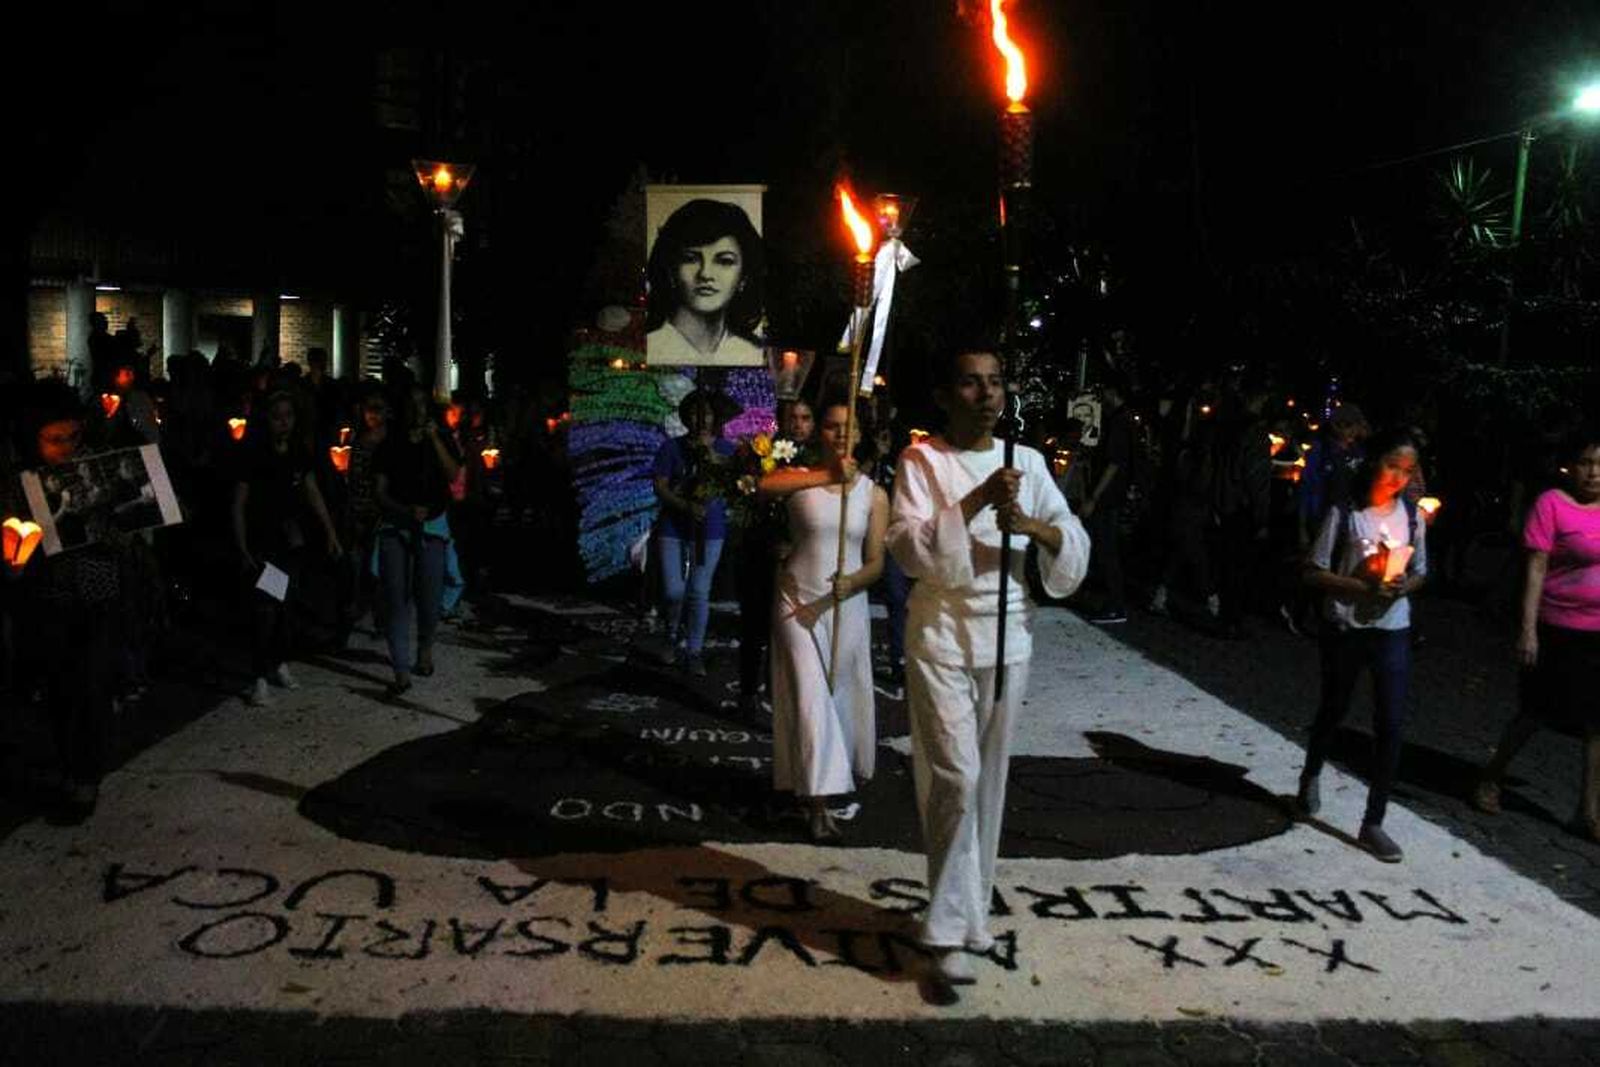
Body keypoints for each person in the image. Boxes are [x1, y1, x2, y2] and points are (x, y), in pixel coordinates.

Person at [887, 349, 1090, 989]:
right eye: (972, 383)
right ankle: (946, 930)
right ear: (946, 395)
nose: (987, 394)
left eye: (996, 382)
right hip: (942, 634)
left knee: (989, 781)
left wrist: (1032, 525)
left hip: (1009, 637)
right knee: (955, 776)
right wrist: (976, 499)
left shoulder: (1026, 463)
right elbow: (910, 550)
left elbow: (1070, 538)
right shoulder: (921, 462)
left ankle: (970, 919)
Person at [758, 395, 888, 843]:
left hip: (844, 603)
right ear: (820, 432)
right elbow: (765, 485)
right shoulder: (799, 477)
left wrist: (853, 583)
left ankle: (815, 780)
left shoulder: (874, 493)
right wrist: (828, 475)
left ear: (860, 433)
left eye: (848, 426)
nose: (840, 433)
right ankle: (818, 805)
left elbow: (876, 563)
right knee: (810, 696)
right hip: (796, 601)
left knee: (834, 697)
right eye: (832, 425)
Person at [1294, 428, 1427, 863]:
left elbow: (1422, 570)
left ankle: (1374, 822)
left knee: (1391, 722)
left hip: (1393, 628)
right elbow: (1313, 570)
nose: (1399, 477)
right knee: (1334, 706)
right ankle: (1311, 773)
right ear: (1375, 463)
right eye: (1393, 466)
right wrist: (1357, 585)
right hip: (1347, 627)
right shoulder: (1347, 513)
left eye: (1407, 471)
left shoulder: (1411, 515)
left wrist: (1404, 585)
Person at [1473, 429, 1600, 842]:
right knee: (1537, 711)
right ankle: (1491, 777)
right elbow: (1536, 569)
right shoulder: (1551, 505)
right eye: (1586, 463)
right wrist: (1528, 630)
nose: (1594, 473)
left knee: (1597, 722)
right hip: (1557, 627)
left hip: (1597, 632)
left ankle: (1588, 810)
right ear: (1571, 465)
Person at [5, 385, 120, 820]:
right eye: (55, 440)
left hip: (97, 591)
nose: (67, 448)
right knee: (59, 689)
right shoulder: (20, 482)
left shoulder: (96, 468)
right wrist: (13, 564)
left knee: (92, 686)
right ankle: (68, 767)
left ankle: (85, 778)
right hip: (47, 598)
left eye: (72, 438)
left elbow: (117, 529)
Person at [232, 392, 342, 706]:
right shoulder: (254, 454)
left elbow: (312, 492)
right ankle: (260, 676)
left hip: (291, 542)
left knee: (285, 606)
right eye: (277, 416)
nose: (283, 422)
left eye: (288, 416)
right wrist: (241, 546)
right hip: (263, 543)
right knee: (265, 608)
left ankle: (279, 663)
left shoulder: (298, 453)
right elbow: (239, 503)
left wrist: (330, 533)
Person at [375, 386, 462, 697]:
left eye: (422, 404)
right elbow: (380, 491)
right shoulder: (391, 443)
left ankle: (425, 648)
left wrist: (436, 438)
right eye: (412, 404)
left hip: (432, 526)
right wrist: (405, 510)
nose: (418, 410)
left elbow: (453, 475)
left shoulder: (439, 438)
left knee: (428, 595)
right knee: (396, 597)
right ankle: (400, 668)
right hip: (397, 526)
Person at [737, 398, 815, 718]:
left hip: (801, 554)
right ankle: (748, 693)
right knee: (755, 625)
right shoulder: (765, 454)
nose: (799, 424)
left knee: (789, 629)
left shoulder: (818, 459)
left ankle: (779, 690)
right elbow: (751, 496)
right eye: (792, 417)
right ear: (782, 421)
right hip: (762, 549)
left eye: (805, 417)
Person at [651, 389, 737, 676]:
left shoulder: (726, 448)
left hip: (710, 530)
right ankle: (671, 635)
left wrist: (710, 455)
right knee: (675, 590)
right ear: (686, 416)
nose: (702, 420)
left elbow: (735, 481)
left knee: (699, 591)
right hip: (673, 527)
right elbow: (660, 486)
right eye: (696, 414)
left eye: (708, 414)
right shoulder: (671, 448)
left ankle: (694, 651)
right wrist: (684, 505)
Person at [645, 199, 765, 366]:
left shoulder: (752, 351)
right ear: (671, 270)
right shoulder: (650, 345)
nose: (705, 274)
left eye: (724, 261)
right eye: (690, 259)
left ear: (743, 277)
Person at [1080, 375, 1133, 624]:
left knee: (1107, 549)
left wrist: (1094, 496)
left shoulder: (1118, 422)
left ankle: (1116, 604)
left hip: (1108, 496)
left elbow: (1114, 463)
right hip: (1112, 494)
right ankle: (1113, 599)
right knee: (1104, 547)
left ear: (1113, 393)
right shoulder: (1122, 420)